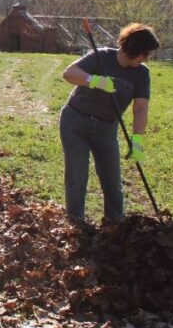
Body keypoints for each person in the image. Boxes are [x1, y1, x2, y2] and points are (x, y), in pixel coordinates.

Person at [59, 23, 160, 224]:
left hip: (106, 129)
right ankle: (76, 224)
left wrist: (137, 140)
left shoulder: (141, 73)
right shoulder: (102, 56)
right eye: (144, 54)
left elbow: (140, 108)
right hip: (75, 122)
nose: (146, 59)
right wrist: (95, 80)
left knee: (113, 183)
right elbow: (69, 73)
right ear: (133, 48)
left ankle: (114, 226)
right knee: (77, 177)